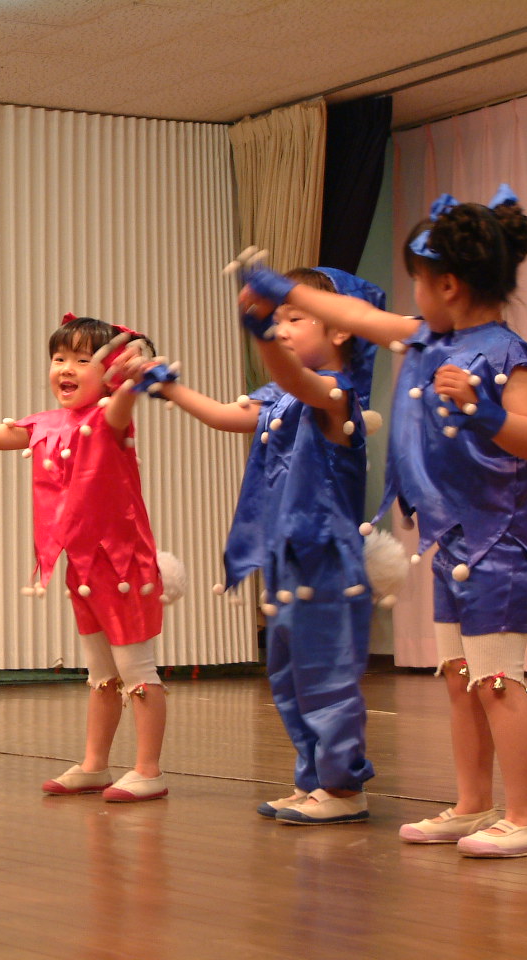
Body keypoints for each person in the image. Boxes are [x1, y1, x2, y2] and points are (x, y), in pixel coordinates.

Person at [240, 185, 527, 857]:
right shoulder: (426, 337)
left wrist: (483, 410)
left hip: (500, 541)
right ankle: (472, 805)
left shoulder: (507, 354)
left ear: (447, 285)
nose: (411, 296)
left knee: (498, 681)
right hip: (453, 542)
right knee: (461, 680)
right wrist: (276, 290)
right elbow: (353, 313)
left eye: (417, 281)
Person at [0, 316, 170, 802]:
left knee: (136, 670)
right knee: (101, 673)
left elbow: (123, 401)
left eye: (83, 359)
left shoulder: (110, 416)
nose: (66, 368)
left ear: (110, 372)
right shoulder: (46, 424)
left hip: (123, 565)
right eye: (59, 358)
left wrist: (131, 380)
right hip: (84, 568)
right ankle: (95, 764)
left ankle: (148, 769)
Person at [167, 268, 385, 823]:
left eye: (295, 318)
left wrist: (261, 328)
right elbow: (225, 415)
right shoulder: (279, 398)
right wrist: (168, 387)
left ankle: (343, 788)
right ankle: (312, 779)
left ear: (340, 329)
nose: (283, 328)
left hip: (327, 558)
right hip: (288, 557)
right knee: (288, 674)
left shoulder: (337, 394)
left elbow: (298, 381)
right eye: (278, 319)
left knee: (326, 673)